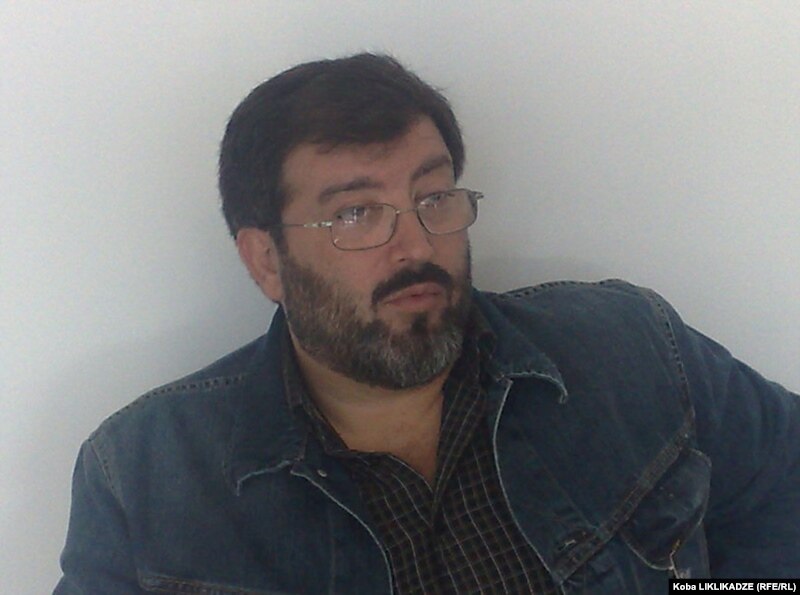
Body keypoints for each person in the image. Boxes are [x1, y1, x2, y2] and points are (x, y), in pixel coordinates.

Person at [55, 53, 799, 594]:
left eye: (434, 197)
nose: (415, 246)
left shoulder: (628, 347)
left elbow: (783, 488)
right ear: (266, 260)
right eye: (356, 213)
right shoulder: (145, 478)